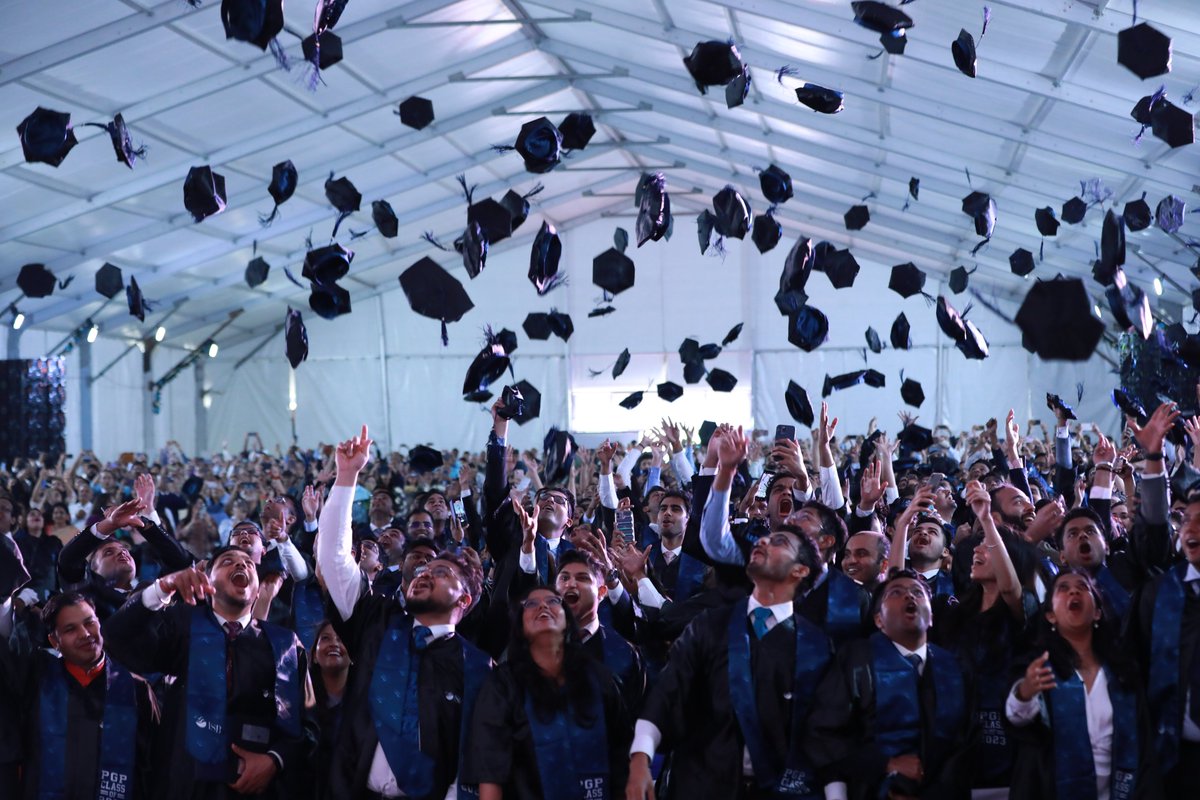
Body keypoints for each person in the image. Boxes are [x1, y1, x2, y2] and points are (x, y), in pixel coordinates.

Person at [316, 424, 492, 800]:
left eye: (441, 572)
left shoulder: (477, 667)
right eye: (424, 570)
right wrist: (346, 479)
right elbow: (332, 560)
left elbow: (477, 753)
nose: (424, 574)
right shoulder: (375, 621)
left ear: (465, 600)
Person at [627, 524, 831, 800]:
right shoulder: (710, 625)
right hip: (702, 785)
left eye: (778, 542)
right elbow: (668, 692)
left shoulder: (816, 646)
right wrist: (640, 758)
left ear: (800, 570)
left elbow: (826, 732)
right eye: (764, 538)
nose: (762, 543)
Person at [102, 542, 315, 799]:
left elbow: (308, 724)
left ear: (258, 590)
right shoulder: (180, 623)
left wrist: (275, 760)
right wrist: (162, 587)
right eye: (227, 561)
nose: (240, 564)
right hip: (182, 782)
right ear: (207, 581)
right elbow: (116, 639)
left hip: (256, 788)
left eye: (249, 564)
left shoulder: (285, 644)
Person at [805, 570, 974, 800]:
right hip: (867, 789)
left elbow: (963, 741)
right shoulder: (857, 659)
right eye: (896, 592)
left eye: (917, 592)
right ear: (879, 620)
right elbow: (826, 732)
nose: (909, 597)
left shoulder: (951, 666)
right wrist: (887, 764)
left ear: (932, 616)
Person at [1007, 570, 1161, 799]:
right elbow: (1018, 720)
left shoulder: (1122, 673)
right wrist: (1025, 692)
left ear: (1098, 612)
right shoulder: (1039, 669)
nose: (1074, 590)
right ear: (1050, 615)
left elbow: (1144, 743)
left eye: (1083, 586)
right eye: (1063, 588)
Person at [465, 586, 632, 799]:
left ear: (567, 620)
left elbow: (623, 754)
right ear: (520, 626)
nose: (543, 605)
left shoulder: (600, 679)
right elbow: (490, 770)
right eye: (531, 604)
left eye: (553, 601)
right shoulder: (502, 684)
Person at [13, 593, 158, 800]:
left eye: (89, 623)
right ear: (54, 641)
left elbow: (152, 765)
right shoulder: (36, 681)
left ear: (99, 623)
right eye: (70, 629)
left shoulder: (136, 689)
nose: (85, 634)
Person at [554, 550, 645, 715]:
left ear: (602, 592)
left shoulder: (623, 653)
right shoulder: (536, 646)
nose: (570, 584)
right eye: (564, 578)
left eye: (582, 578)